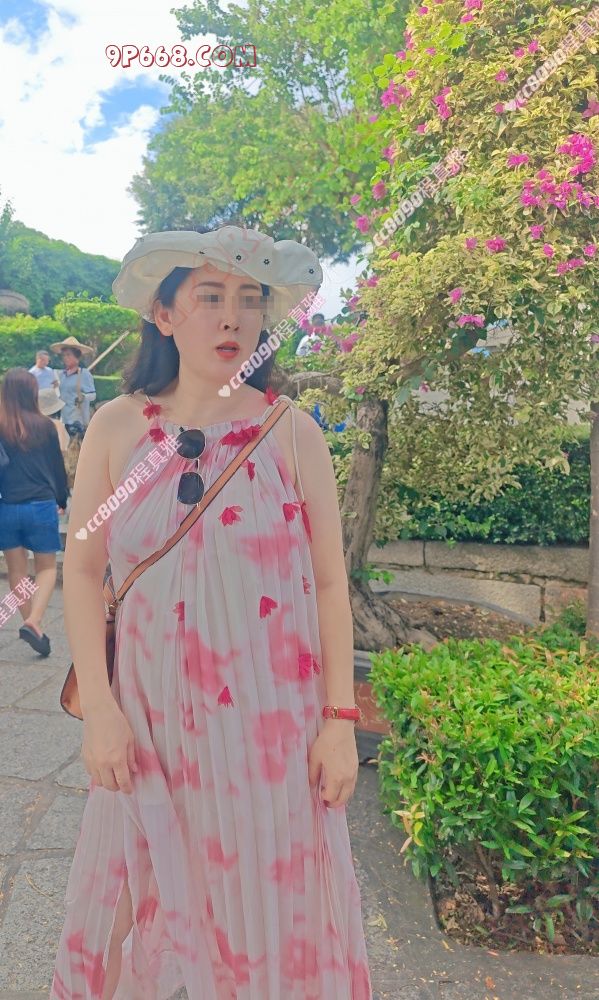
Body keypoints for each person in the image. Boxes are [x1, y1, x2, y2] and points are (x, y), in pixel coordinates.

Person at [51, 226, 373, 999]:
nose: (232, 317)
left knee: (265, 915)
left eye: (249, 298)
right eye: (209, 296)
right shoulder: (119, 427)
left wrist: (338, 722)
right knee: (126, 911)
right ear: (164, 315)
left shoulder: (291, 434)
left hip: (269, 734)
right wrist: (101, 711)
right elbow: (85, 572)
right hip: (147, 725)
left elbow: (330, 584)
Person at [0, 369, 68, 656]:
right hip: (40, 505)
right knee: (46, 567)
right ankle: (34, 621)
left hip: (7, 506)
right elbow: (57, 467)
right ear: (32, 393)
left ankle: (31, 625)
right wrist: (62, 498)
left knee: (16, 570)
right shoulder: (45, 426)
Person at [50, 336, 97, 438]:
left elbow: (93, 395)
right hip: (63, 419)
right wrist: (55, 388)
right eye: (64, 355)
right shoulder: (61, 375)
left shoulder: (84, 374)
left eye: (68, 355)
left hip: (77, 420)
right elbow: (58, 395)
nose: (65, 358)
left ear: (77, 357)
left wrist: (83, 397)